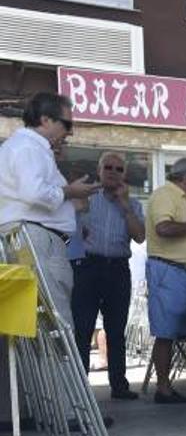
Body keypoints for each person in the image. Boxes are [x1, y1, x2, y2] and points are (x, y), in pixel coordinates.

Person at [0, 92, 99, 322]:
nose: (70, 131)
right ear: (46, 120)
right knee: (55, 320)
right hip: (37, 239)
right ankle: (60, 361)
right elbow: (33, 192)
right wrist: (71, 191)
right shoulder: (28, 147)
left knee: (31, 323)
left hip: (32, 235)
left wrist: (71, 200)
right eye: (67, 124)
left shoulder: (25, 146)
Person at [70, 151, 146, 399]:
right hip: (88, 266)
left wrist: (125, 206)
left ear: (124, 174)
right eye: (109, 168)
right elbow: (71, 233)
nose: (113, 172)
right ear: (99, 170)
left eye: (119, 169)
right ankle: (81, 388)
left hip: (117, 269)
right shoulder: (87, 197)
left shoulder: (133, 204)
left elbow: (140, 236)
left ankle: (119, 385)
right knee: (83, 328)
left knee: (116, 330)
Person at [144, 157, 186, 404]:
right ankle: (163, 388)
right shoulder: (165, 194)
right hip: (170, 271)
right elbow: (164, 228)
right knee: (166, 332)